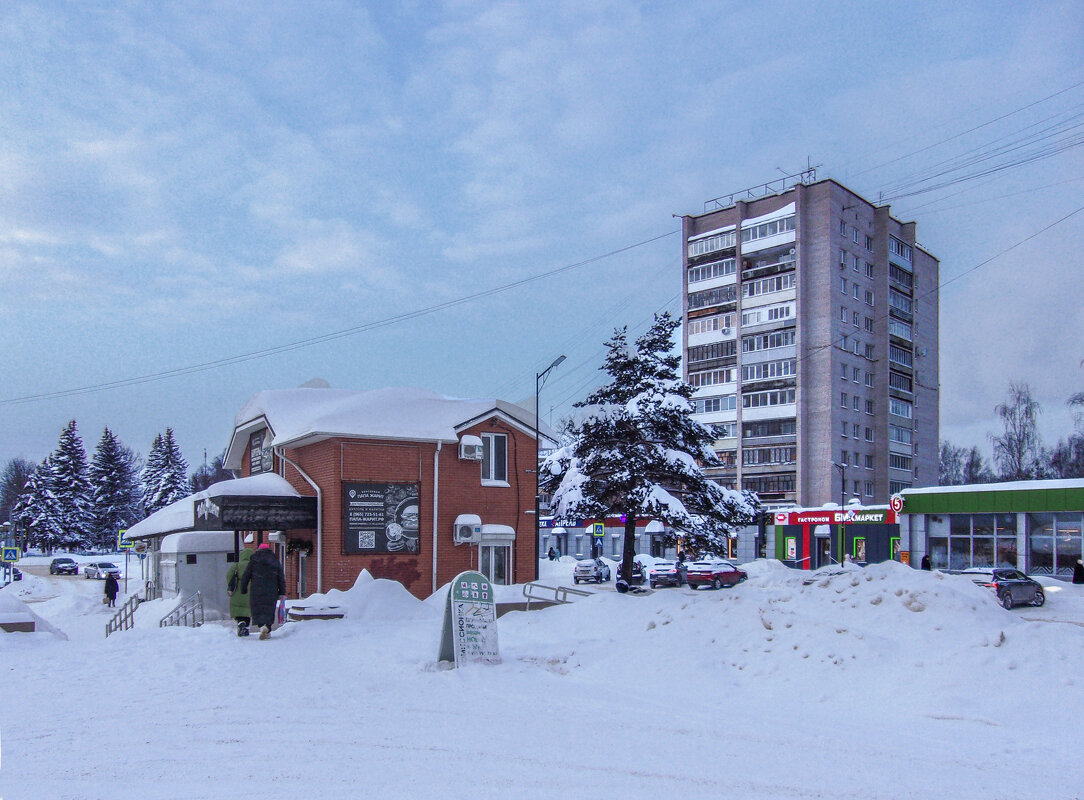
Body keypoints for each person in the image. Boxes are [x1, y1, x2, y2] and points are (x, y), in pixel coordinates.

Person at [241, 543, 286, 640]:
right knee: (269, 610)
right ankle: (268, 627)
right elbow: (281, 577)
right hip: (271, 590)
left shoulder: (253, 561)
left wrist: (243, 588)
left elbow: (246, 576)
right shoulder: (275, 561)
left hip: (257, 590)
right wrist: (282, 591)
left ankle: (261, 626)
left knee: (258, 609)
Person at [226, 547, 254, 637]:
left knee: (239, 609)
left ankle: (240, 622)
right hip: (250, 591)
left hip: (238, 590)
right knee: (248, 610)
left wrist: (232, 584)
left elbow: (228, 576)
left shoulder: (236, 566)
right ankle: (245, 627)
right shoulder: (254, 565)